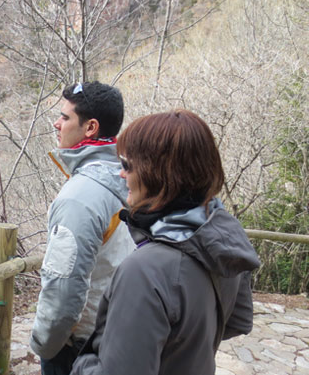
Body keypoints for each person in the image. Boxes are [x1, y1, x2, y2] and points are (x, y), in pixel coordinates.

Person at [70, 109, 261, 375]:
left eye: (126, 164)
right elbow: (238, 320)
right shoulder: (222, 235)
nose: (121, 174)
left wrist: (84, 363)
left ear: (158, 174)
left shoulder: (145, 270)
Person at [30, 81, 135, 375]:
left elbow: (64, 287)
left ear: (90, 128)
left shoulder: (79, 197)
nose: (57, 123)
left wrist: (44, 345)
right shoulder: (129, 177)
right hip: (116, 332)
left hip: (77, 347)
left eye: (65, 117)